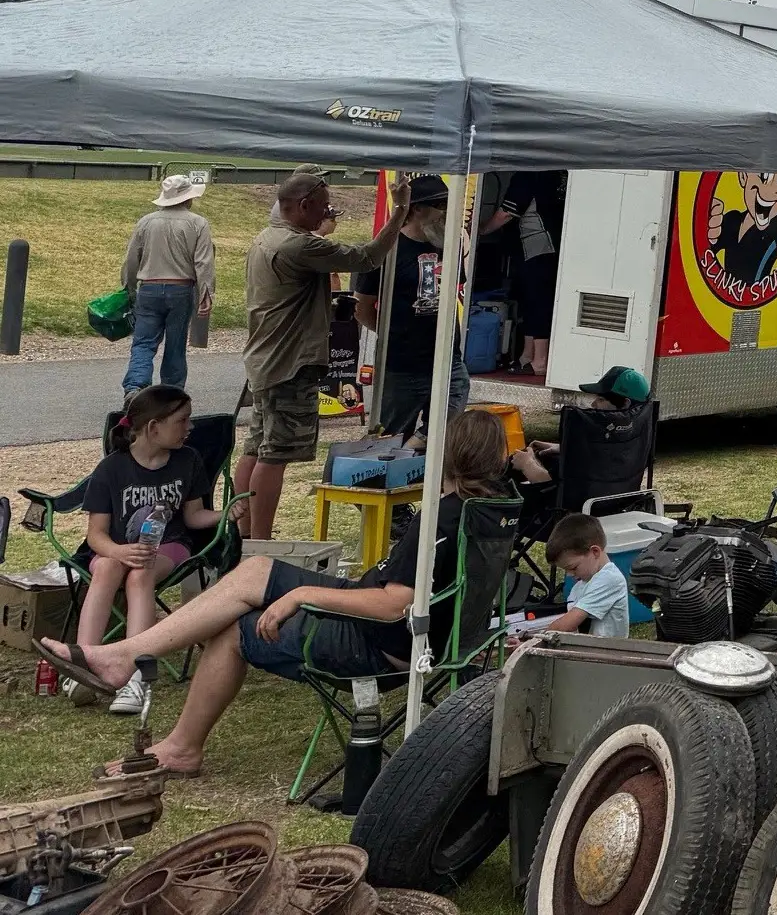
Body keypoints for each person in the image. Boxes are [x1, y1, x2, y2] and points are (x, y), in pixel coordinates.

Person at [44, 408, 511, 778]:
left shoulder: (444, 518)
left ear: (446, 454)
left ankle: (172, 733)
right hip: (445, 642)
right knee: (258, 569)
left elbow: (396, 604)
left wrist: (301, 594)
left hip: (381, 643)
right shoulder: (498, 505)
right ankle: (125, 656)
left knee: (233, 628)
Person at [239, 173, 413, 538]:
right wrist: (400, 211)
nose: (328, 212)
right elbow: (367, 257)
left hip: (266, 359)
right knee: (276, 454)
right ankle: (260, 541)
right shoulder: (301, 246)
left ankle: (242, 533)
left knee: (256, 447)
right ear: (304, 206)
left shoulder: (268, 237)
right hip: (291, 364)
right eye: (323, 206)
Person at [72, 385, 222, 716]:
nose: (190, 427)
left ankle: (136, 677)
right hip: (115, 548)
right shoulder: (111, 469)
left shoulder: (188, 461)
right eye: (183, 421)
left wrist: (228, 514)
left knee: (140, 575)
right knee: (110, 568)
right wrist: (118, 552)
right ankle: (82, 662)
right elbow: (96, 535)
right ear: (154, 428)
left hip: (170, 547)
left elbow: (194, 516)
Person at [353, 177, 471, 438]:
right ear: (417, 209)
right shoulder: (388, 248)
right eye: (441, 205)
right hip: (402, 366)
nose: (447, 212)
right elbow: (361, 306)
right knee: (391, 437)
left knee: (445, 435)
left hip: (448, 360)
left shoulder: (450, 244)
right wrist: (392, 333)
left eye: (451, 204)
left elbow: (455, 291)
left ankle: (428, 467)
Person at [119, 176, 214, 399]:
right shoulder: (198, 223)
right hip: (181, 289)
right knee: (176, 345)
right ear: (188, 199)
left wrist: (129, 287)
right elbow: (203, 262)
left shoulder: (146, 222)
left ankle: (135, 386)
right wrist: (205, 293)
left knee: (143, 342)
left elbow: (132, 259)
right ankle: (171, 392)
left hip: (149, 288)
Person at [512, 512, 630, 642]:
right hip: (584, 649)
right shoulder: (583, 583)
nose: (570, 574)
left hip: (606, 656)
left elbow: (568, 624)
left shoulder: (610, 579)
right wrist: (525, 640)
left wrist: (534, 642)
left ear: (595, 552)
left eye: (573, 567)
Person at [502, 174, 564, 376]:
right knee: (531, 300)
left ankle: (540, 361)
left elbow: (507, 213)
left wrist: (479, 229)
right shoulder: (558, 174)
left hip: (536, 245)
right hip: (549, 245)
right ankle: (527, 355)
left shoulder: (526, 176)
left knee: (537, 302)